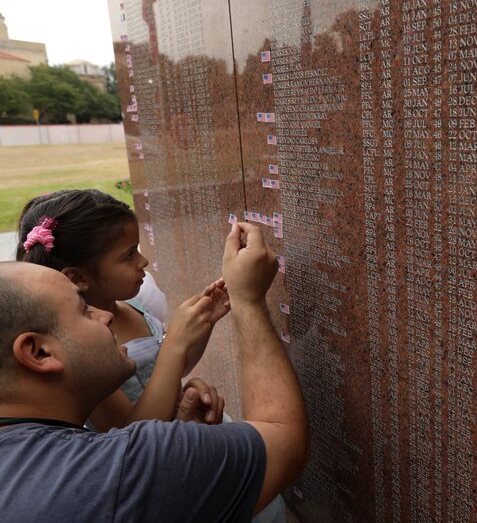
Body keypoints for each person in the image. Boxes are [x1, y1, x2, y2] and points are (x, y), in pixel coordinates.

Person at [0, 221, 308, 521]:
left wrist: (178, 438)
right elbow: (284, 440)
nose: (104, 316)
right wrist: (248, 300)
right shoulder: (115, 473)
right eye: (83, 309)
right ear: (39, 352)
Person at [16, 189, 228, 428]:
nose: (143, 262)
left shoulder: (135, 305)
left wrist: (205, 320)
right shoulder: (81, 351)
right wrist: (176, 342)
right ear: (77, 277)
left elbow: (176, 367)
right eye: (129, 255)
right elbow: (127, 435)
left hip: (182, 428)